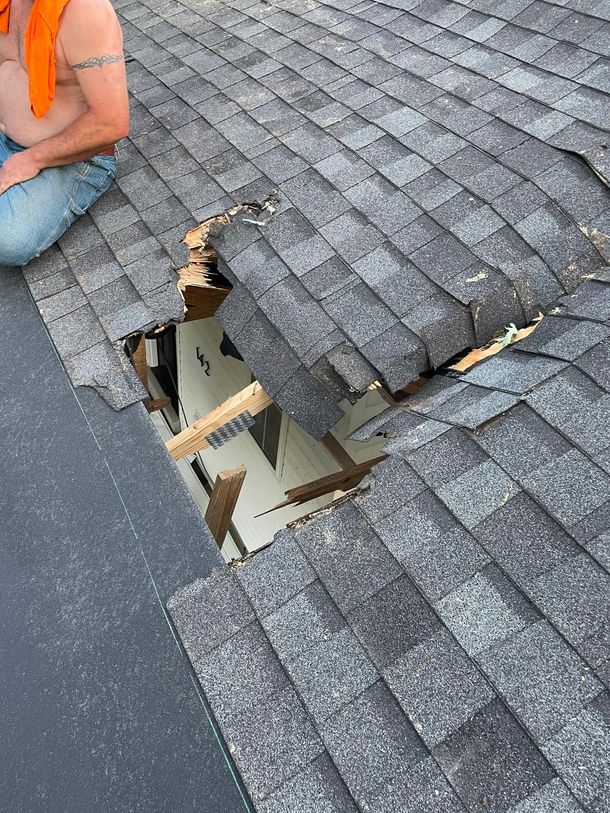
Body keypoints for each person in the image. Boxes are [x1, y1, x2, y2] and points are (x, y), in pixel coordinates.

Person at [0, 0, 129, 266]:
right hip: (6, 138)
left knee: (7, 239)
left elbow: (111, 122)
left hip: (71, 158)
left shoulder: (84, 10)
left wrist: (31, 159)